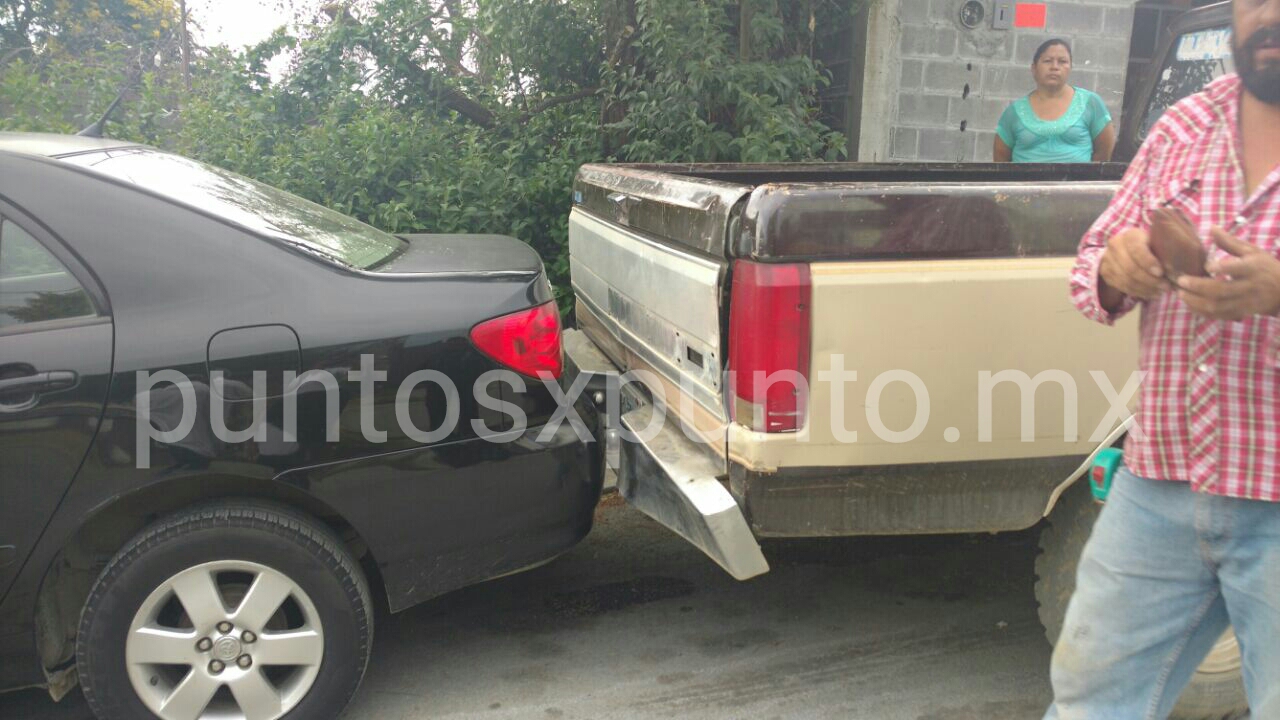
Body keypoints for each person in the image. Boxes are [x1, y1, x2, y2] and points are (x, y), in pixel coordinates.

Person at [1050, 1, 1280, 718]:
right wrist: (1118, 267)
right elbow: (1093, 264)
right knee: (1087, 702)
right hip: (1162, 484)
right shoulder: (1185, 123)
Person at [994, 39, 1117, 163]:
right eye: (1047, 61)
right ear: (1034, 68)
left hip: (1076, 182)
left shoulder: (1090, 103)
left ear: (1070, 68)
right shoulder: (1014, 111)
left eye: (1062, 61)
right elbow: (1001, 158)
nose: (1054, 67)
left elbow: (1104, 153)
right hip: (1026, 182)